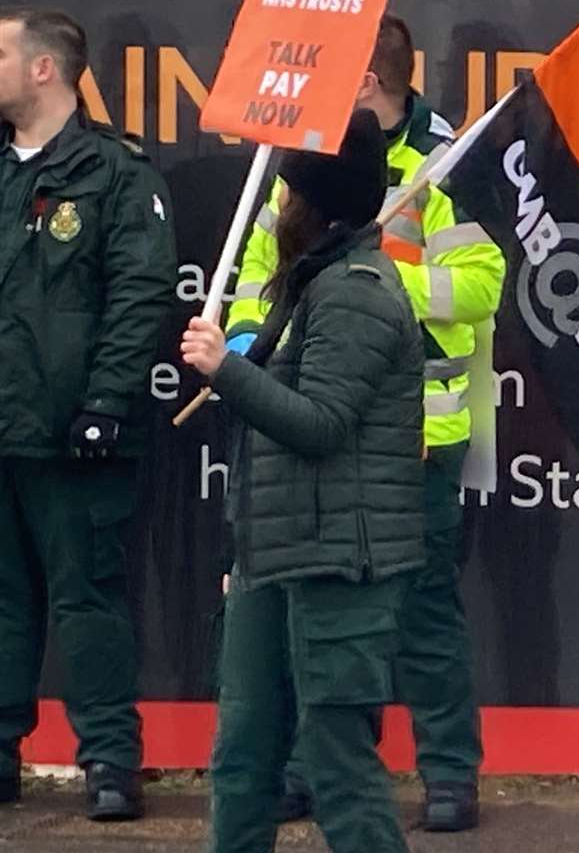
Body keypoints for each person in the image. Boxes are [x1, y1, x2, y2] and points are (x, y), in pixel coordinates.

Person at [225, 14, 502, 832]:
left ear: (369, 84)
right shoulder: (305, 165)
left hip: (421, 435)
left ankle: (449, 772)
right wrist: (248, 341)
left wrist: (373, 278)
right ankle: (313, 771)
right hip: (308, 424)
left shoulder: (448, 165)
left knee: (422, 614)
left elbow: (482, 286)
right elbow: (256, 274)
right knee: (313, 617)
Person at [183, 110, 426, 852]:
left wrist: (225, 370)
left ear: (314, 205)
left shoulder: (356, 290)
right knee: (242, 757)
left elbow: (320, 424)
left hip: (339, 563)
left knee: (337, 765)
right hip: (275, 557)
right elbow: (270, 443)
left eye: (286, 193)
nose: (276, 208)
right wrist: (245, 551)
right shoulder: (309, 284)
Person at [0, 7, 176, 821]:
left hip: (73, 433)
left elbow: (139, 300)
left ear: (44, 69)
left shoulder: (115, 174)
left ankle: (109, 759)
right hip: (3, 430)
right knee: (2, 602)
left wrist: (105, 403)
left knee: (87, 600)